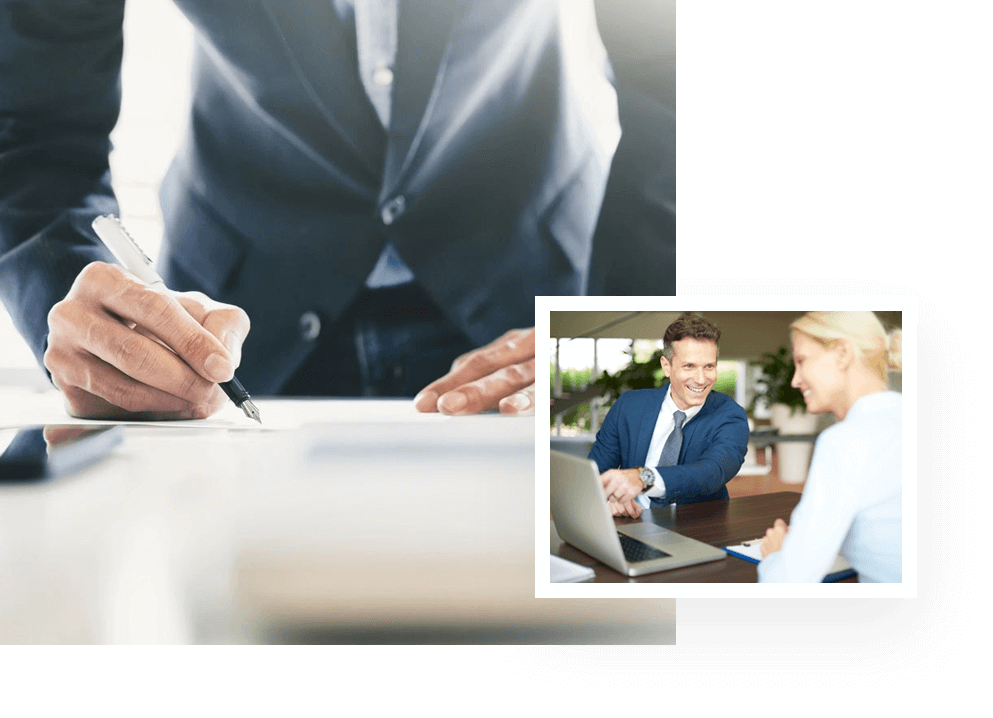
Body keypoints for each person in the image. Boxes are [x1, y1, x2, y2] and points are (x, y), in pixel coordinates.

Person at [0, 0, 676, 420]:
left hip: (530, 301)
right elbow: (33, 132)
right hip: (229, 328)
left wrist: (638, 327)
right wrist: (81, 308)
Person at [758, 311, 902, 583]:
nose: (795, 380)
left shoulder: (846, 440)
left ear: (842, 354)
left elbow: (788, 582)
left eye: (802, 361)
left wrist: (777, 553)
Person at [589, 314, 749, 519]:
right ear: (667, 366)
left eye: (709, 366)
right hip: (630, 524)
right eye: (689, 366)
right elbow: (595, 473)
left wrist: (643, 478)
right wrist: (607, 502)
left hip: (697, 533)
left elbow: (712, 472)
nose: (701, 379)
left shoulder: (730, 416)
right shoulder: (628, 406)